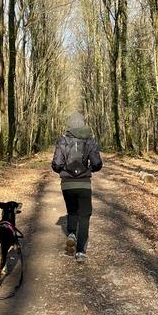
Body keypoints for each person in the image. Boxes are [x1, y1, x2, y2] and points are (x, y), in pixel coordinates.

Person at [51, 111, 103, 262]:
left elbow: (56, 164)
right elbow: (97, 164)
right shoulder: (90, 140)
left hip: (67, 184)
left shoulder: (62, 140)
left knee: (72, 211)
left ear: (69, 124)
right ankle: (80, 252)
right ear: (83, 123)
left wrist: (64, 171)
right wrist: (89, 170)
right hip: (84, 183)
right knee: (85, 215)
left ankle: (72, 234)